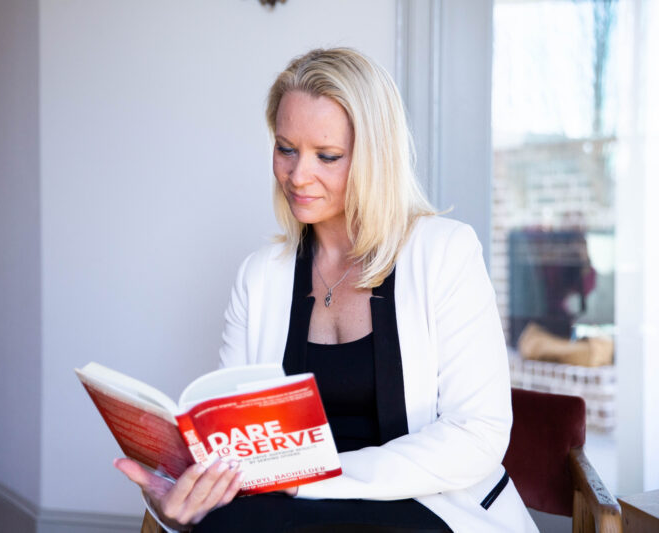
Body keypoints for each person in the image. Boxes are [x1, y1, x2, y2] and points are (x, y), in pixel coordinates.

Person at [115, 48, 539, 533]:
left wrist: (313, 482)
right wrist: (181, 504)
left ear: (376, 158)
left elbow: (477, 436)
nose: (298, 175)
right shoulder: (260, 277)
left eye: (328, 156)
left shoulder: (446, 253)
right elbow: (233, 445)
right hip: (290, 508)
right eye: (286, 148)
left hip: (429, 506)